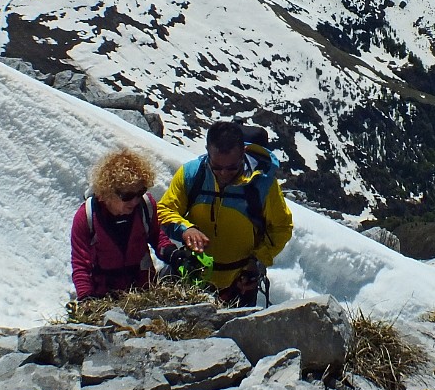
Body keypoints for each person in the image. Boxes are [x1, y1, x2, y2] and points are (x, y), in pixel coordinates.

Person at [157, 122, 293, 306]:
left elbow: (281, 227)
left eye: (232, 168)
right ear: (207, 151)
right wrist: (186, 230)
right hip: (192, 273)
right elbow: (165, 210)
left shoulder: (262, 184)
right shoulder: (191, 174)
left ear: (243, 153)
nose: (224, 173)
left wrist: (258, 260)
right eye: (217, 167)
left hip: (239, 282)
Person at [70, 148, 173, 300]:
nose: (135, 201)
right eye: (128, 196)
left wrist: (171, 252)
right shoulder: (87, 216)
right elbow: (80, 264)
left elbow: (156, 236)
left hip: (144, 293)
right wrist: (86, 298)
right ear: (108, 192)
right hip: (104, 297)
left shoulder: (146, 206)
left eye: (140, 192)